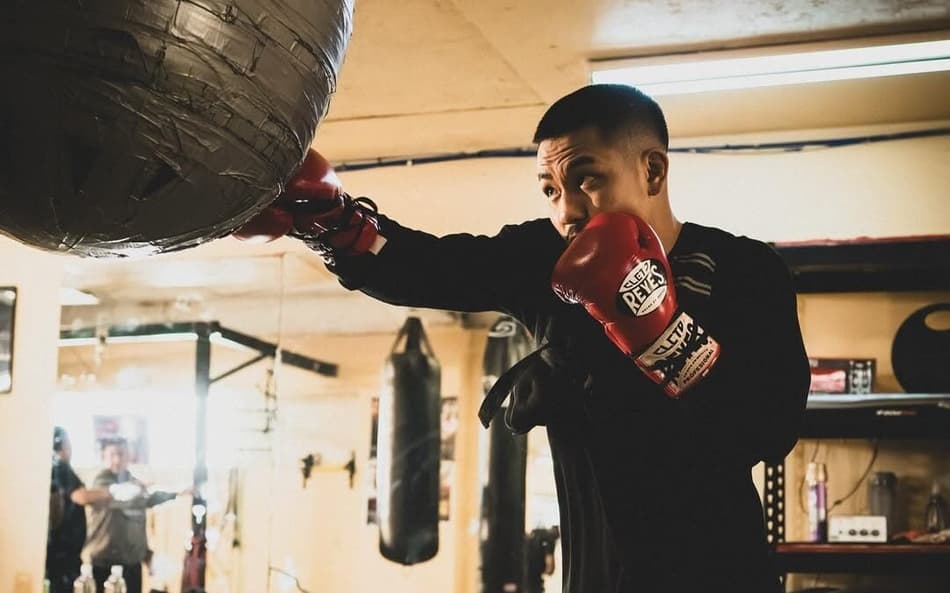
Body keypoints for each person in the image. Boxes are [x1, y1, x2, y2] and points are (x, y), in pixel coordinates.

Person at [236, 83, 810, 592]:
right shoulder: (545, 259)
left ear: (653, 171)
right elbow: (431, 266)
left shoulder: (744, 268)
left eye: (588, 181)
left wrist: (659, 334)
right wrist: (337, 225)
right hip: (593, 574)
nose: (568, 211)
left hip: (720, 572)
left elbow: (770, 425)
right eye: (550, 190)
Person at [84, 437, 184, 593]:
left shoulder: (134, 482)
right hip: (104, 561)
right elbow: (122, 496)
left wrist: (179, 492)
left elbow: (147, 501)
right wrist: (139, 488)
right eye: (112, 454)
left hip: (131, 563)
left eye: (121, 454)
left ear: (128, 456)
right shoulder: (102, 481)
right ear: (104, 456)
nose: (117, 459)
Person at [47, 427, 112, 593]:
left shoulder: (55, 469)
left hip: (62, 557)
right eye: (68, 444)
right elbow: (80, 496)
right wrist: (111, 492)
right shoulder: (60, 467)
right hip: (63, 560)